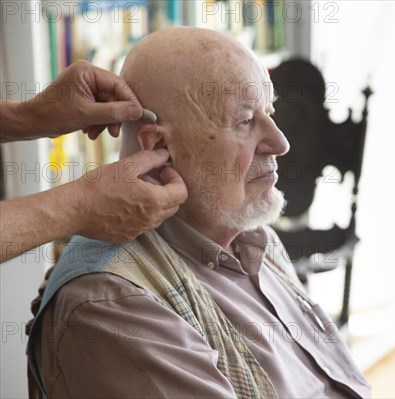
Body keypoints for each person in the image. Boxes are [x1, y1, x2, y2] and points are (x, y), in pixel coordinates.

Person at [27, 28, 371, 398]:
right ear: (159, 146)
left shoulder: (255, 238)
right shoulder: (113, 306)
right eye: (244, 121)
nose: (280, 143)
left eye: (269, 112)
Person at [0, 60, 188, 263]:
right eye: (228, 123)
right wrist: (79, 208)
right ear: (156, 141)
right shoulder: (106, 289)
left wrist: (26, 118)